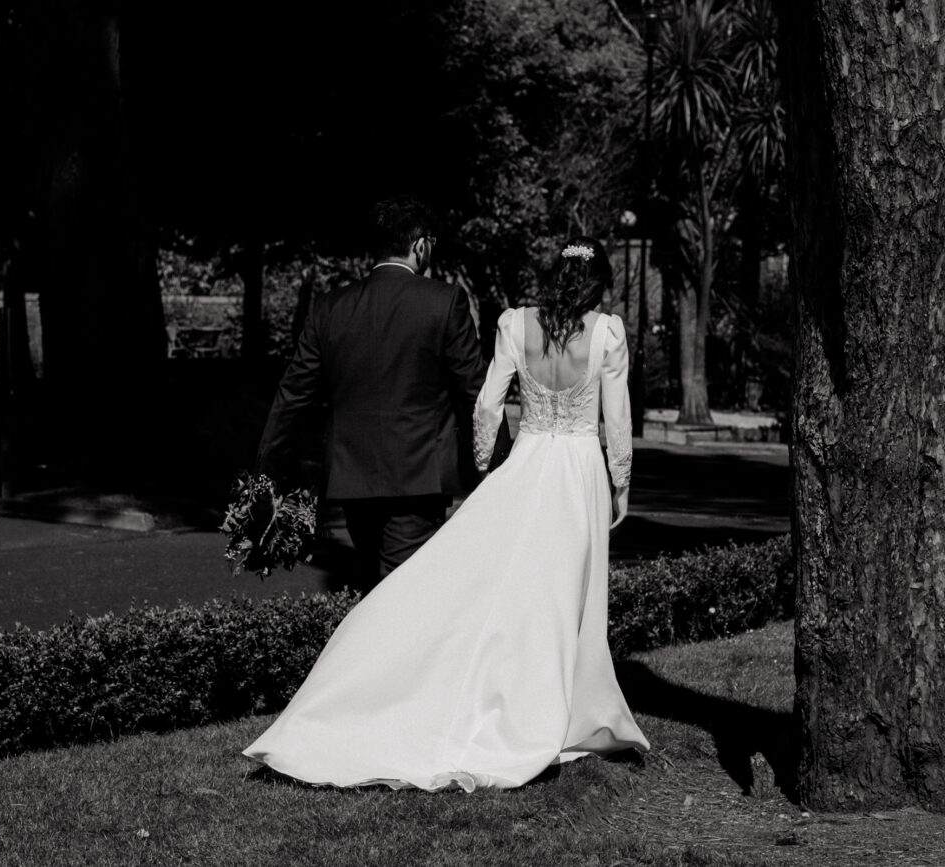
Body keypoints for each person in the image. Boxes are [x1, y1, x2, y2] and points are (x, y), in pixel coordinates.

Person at [243, 235, 648, 791]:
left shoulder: (514, 323)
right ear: (599, 282)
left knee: (508, 589)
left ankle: (504, 695)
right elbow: (617, 418)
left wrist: (486, 466)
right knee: (562, 595)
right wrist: (620, 480)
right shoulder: (607, 332)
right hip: (578, 473)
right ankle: (552, 711)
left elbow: (487, 402)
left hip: (525, 464)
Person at [255, 196, 488, 593]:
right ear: (419, 245)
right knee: (407, 595)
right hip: (419, 477)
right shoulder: (444, 302)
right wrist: (495, 467)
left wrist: (265, 471)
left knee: (371, 587)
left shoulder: (330, 307)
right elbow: (474, 394)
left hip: (352, 477)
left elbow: (293, 396)